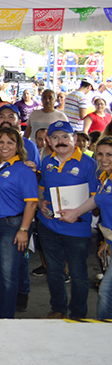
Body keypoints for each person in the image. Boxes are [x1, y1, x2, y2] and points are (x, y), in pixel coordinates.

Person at [37, 120, 99, 319]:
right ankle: (58, 309)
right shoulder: (47, 161)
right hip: (48, 226)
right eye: (55, 137)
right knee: (54, 271)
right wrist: (40, 203)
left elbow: (96, 197)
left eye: (65, 137)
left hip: (76, 229)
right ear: (49, 141)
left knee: (78, 274)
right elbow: (42, 188)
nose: (60, 141)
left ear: (75, 139)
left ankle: (78, 313)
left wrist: (77, 212)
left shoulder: (89, 164)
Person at [0, 127, 38, 318]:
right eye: (1, 142)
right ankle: (5, 313)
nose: (4, 146)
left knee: (8, 274)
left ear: (18, 146)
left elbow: (31, 203)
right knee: (0, 269)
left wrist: (24, 230)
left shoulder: (23, 170)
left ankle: (5, 317)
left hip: (12, 226)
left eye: (10, 142)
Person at [62, 136, 112, 319]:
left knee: (106, 292)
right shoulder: (105, 177)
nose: (103, 158)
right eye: (100, 154)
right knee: (107, 292)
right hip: (110, 241)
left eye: (109, 155)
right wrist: (74, 212)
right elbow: (95, 200)